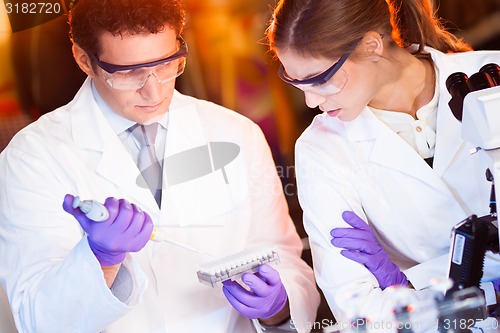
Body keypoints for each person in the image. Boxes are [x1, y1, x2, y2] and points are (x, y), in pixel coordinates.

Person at [0, 0, 320, 332]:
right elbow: (36, 320)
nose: (153, 90)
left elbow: (285, 264)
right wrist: (100, 260)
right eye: (128, 72)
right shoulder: (32, 157)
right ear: (84, 59)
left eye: (167, 64)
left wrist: (278, 306)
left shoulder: (237, 134)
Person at [265, 0, 500, 326]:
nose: (311, 100)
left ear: (372, 45)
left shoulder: (492, 77)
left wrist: (410, 285)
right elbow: (360, 312)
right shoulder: (321, 149)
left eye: (320, 79)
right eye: (297, 82)